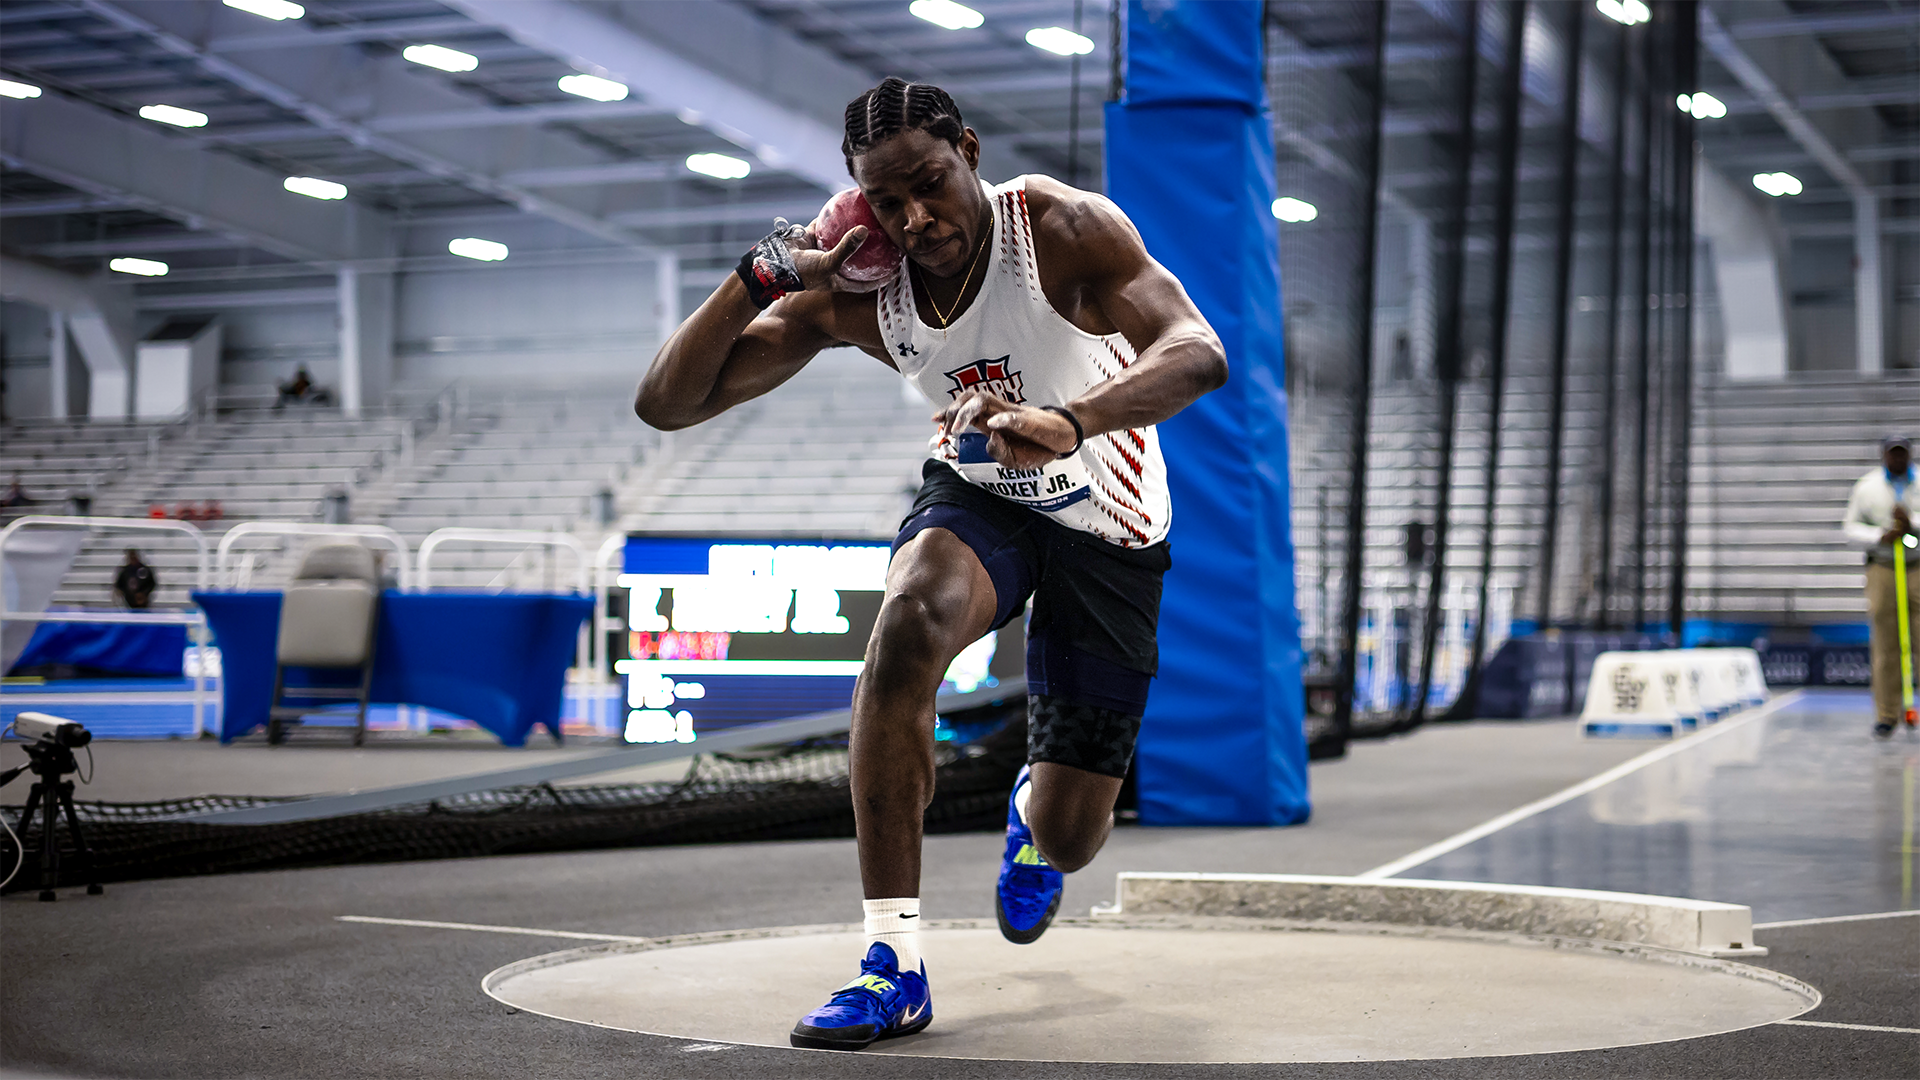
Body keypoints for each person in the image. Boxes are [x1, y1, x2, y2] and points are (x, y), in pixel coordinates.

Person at [634, 78, 1226, 1050]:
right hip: (986, 493)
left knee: (1078, 833)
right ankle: (891, 963)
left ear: (972, 154)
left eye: (931, 183)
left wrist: (1069, 420)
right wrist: (760, 275)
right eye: (887, 200)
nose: (917, 218)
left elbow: (1199, 352)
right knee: (906, 620)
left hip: (1111, 526)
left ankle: (1035, 814)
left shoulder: (1062, 233)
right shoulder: (868, 297)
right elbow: (670, 402)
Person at [1842, 435, 1920, 738]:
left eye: (1902, 454)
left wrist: (1912, 524)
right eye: (1892, 453)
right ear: (1884, 455)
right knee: (1886, 644)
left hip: (1917, 563)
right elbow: (1849, 529)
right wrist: (1879, 535)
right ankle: (1888, 714)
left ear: (1909, 455)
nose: (1897, 459)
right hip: (1883, 566)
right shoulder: (1867, 487)